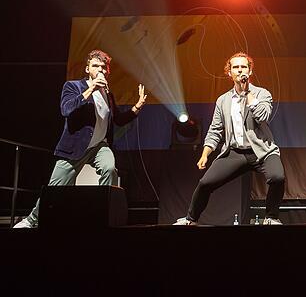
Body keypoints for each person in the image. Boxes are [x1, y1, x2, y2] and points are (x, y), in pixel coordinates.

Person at [13, 49, 147, 228]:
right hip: (76, 147)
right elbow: (66, 110)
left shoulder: (108, 94)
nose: (100, 70)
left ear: (108, 71)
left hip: (99, 146)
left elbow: (118, 120)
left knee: (109, 168)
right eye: (95, 66)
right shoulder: (73, 86)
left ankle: (105, 216)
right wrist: (91, 89)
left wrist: (137, 107)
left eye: (103, 67)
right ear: (87, 69)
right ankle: (32, 220)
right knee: (56, 187)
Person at [174, 52, 285, 225]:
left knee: (277, 177)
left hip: (262, 150)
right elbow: (215, 130)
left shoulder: (262, 94)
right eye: (236, 67)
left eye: (244, 67)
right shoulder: (223, 100)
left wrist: (248, 93)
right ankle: (190, 219)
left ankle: (271, 217)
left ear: (250, 71)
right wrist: (205, 154)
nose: (240, 70)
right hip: (235, 152)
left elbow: (263, 116)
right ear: (229, 72)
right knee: (205, 183)